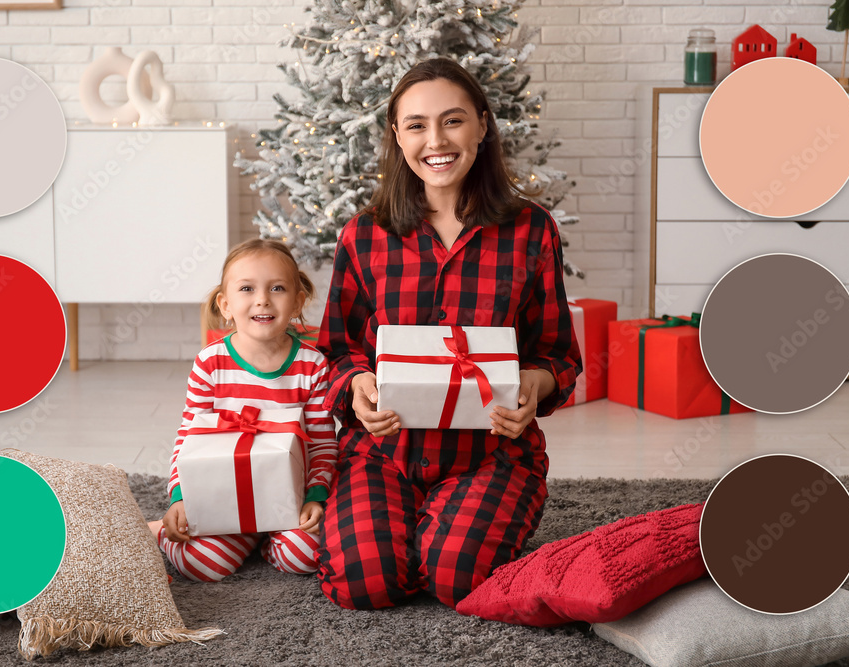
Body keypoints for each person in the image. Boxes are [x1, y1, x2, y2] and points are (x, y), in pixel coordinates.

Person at [315, 57, 583, 610]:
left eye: (453, 120)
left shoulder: (532, 231)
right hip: (383, 449)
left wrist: (536, 383)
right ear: (396, 135)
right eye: (416, 125)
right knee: (365, 585)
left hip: (492, 449)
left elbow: (558, 354)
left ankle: (450, 527)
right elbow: (338, 349)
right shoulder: (363, 236)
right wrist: (357, 387)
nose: (435, 140)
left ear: (483, 126)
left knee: (456, 579)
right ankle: (417, 523)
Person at [148, 239, 338, 582]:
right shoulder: (211, 363)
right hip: (224, 496)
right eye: (247, 288)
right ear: (226, 305)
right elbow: (189, 438)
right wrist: (180, 497)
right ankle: (161, 531)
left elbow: (324, 444)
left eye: (277, 288)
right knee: (200, 564)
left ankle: (266, 543)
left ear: (297, 302)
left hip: (288, 500)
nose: (262, 299)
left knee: (308, 555)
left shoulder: (313, 365)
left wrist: (315, 496)